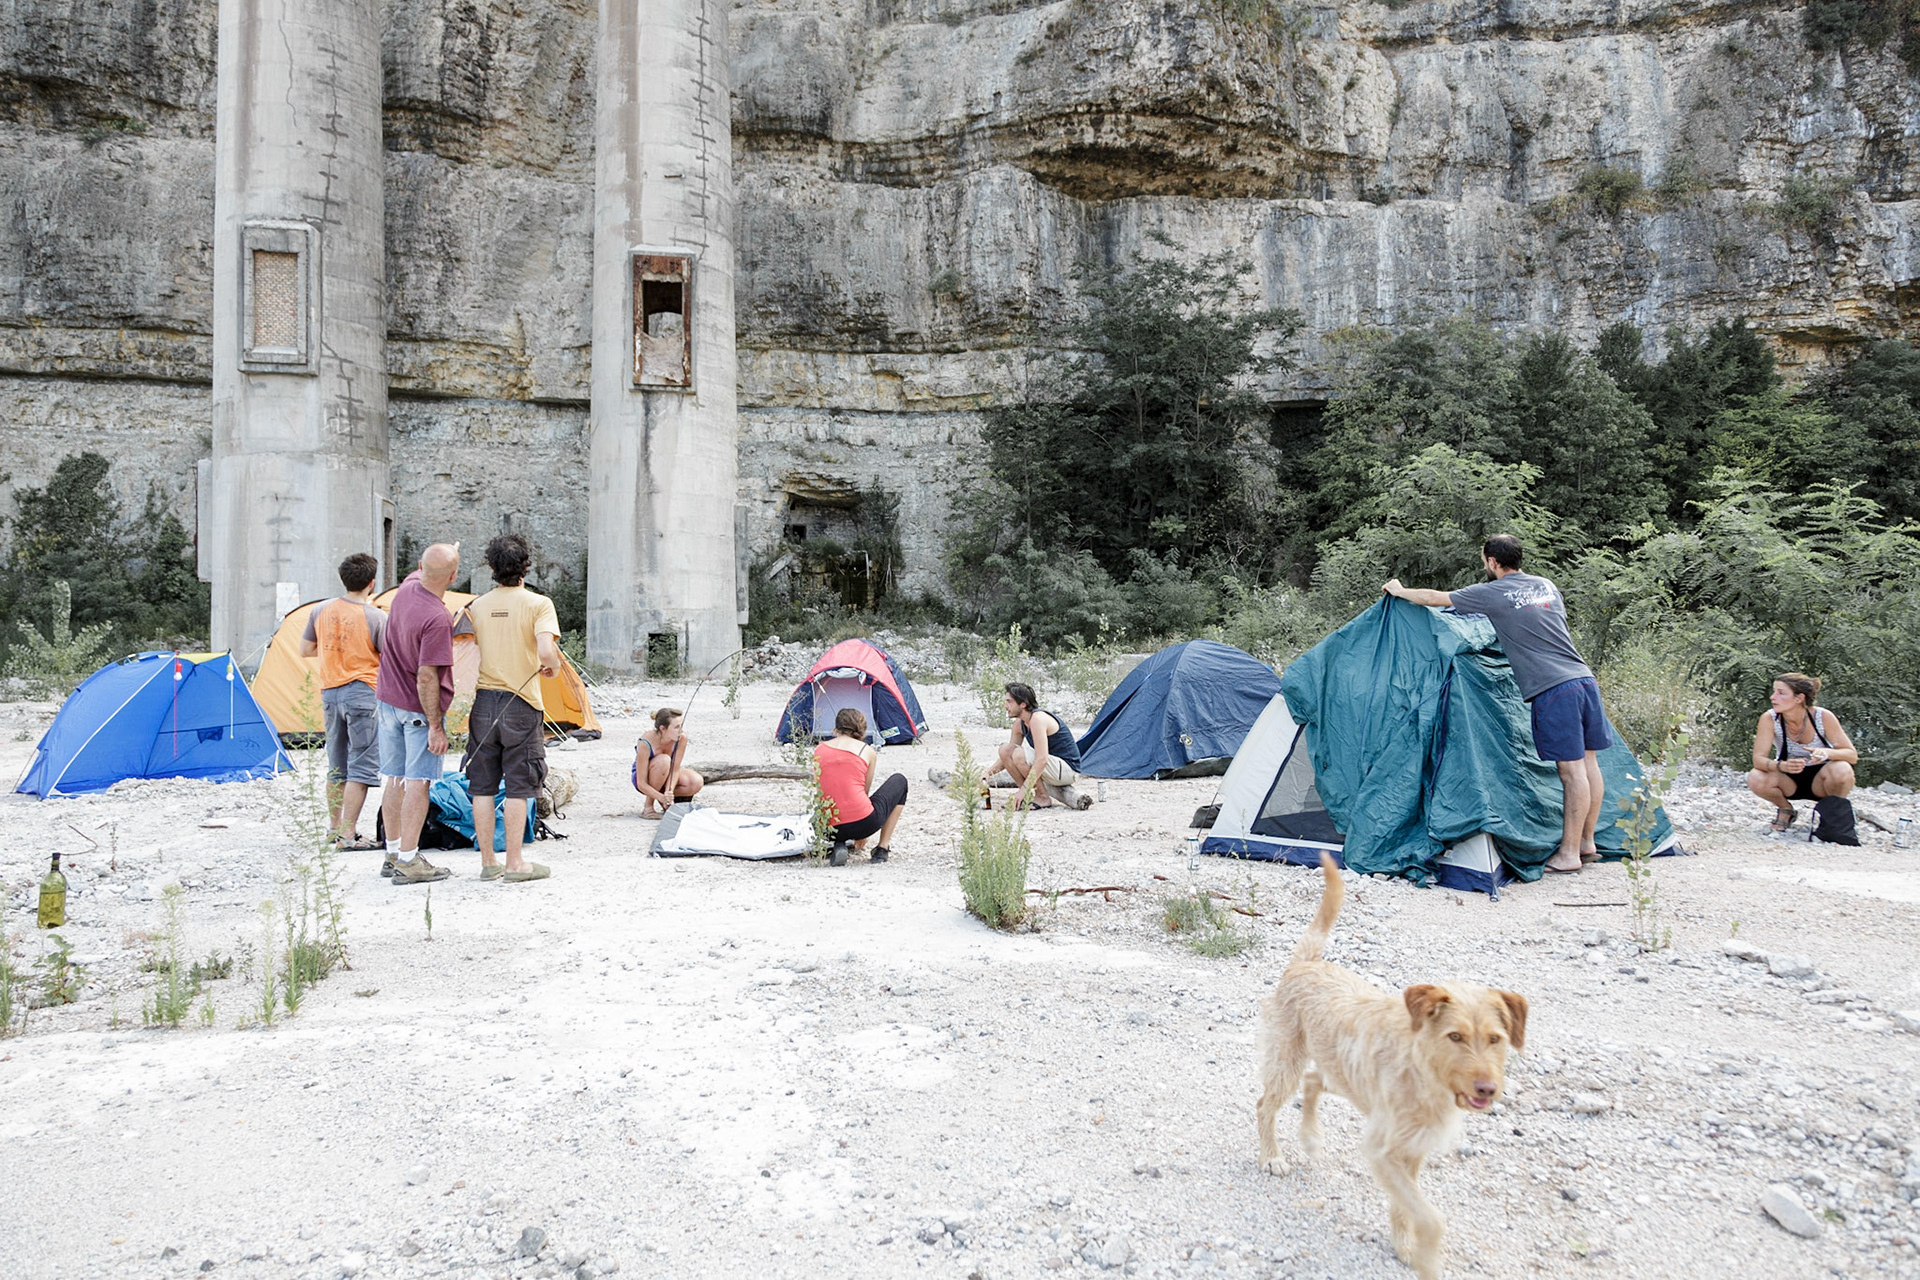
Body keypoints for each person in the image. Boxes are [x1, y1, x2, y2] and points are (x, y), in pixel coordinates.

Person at [1384, 534, 1608, 873]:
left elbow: (1434, 598)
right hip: (1583, 679)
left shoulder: (1493, 593)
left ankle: (1568, 854)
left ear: (1491, 562)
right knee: (1589, 763)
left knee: (1570, 771)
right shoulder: (1546, 585)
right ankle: (1587, 842)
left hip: (1554, 688)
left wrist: (1399, 591)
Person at [462, 534, 562, 883]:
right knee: (520, 784)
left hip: (484, 700)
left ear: (491, 568)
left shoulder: (476, 605)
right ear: (526, 566)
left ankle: (488, 861)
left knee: (482, 785)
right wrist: (554, 667)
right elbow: (547, 650)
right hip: (521, 701)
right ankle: (515, 862)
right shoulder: (539, 604)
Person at [376, 542, 460, 885]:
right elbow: (427, 676)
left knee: (393, 778)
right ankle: (410, 860)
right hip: (415, 710)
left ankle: (392, 852)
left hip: (386, 702)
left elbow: (427, 567)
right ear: (453, 577)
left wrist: (444, 551)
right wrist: (436, 727)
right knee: (418, 782)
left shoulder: (406, 588)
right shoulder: (438, 618)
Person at [297, 552, 386, 852]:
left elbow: (306, 649)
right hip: (361, 692)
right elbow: (390, 658)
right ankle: (349, 835)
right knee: (361, 763)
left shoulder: (321, 610)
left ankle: (334, 828)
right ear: (372, 583)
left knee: (336, 764)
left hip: (330, 691)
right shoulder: (375, 616)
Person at [1746, 673, 1856, 832]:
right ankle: (1785, 810)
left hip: (1822, 778)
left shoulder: (1823, 716)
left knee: (1843, 769)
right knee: (1755, 776)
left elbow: (1851, 755)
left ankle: (1832, 815)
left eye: (1781, 693)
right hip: (1788, 779)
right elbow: (1758, 759)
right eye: (1774, 691)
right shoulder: (1770, 718)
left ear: (1799, 698)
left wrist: (1826, 753)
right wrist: (1781, 766)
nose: (1773, 697)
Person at [814, 708, 908, 863]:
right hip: (862, 822)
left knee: (835, 795)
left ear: (836, 728)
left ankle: (839, 843)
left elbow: (822, 789)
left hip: (825, 828)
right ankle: (882, 849)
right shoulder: (867, 751)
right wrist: (862, 833)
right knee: (900, 781)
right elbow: (864, 791)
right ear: (862, 730)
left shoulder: (820, 748)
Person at [991, 682, 1090, 810]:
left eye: (1009, 702)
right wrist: (988, 774)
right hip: (1051, 768)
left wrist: (1023, 790)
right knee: (1005, 749)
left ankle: (1042, 797)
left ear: (1023, 704)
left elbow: (1042, 759)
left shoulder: (1038, 719)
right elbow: (1006, 756)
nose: (1005, 706)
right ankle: (1025, 797)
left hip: (1068, 770)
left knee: (1019, 754)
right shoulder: (1019, 723)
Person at [633, 707, 704, 817]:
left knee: (696, 781)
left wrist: (668, 792)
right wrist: (660, 797)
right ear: (663, 729)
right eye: (676, 727)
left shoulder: (681, 738)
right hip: (645, 778)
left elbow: (675, 769)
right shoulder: (645, 742)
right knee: (664, 761)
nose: (680, 730)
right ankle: (648, 807)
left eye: (681, 726)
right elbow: (641, 783)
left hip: (666, 775)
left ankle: (667, 802)